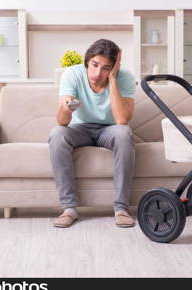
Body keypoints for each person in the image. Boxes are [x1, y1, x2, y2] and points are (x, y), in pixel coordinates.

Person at [48, 39, 136, 228]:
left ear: (114, 68)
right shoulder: (72, 74)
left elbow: (121, 120)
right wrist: (67, 109)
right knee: (57, 134)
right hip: (81, 128)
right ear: (87, 61)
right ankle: (69, 208)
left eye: (106, 68)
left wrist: (113, 80)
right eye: (95, 65)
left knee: (123, 133)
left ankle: (121, 208)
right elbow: (62, 122)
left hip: (110, 129)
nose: (98, 74)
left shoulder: (125, 78)